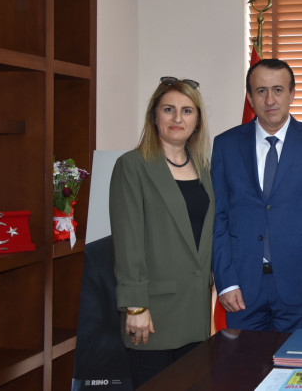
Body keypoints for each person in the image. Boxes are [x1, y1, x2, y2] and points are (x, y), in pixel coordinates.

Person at [211, 58, 302, 332]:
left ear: (292, 94)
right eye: (261, 91)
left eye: (278, 90)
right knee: (242, 360)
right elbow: (218, 218)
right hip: (242, 288)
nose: (270, 100)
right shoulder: (225, 145)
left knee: (296, 361)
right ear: (250, 97)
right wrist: (226, 282)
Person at [110, 77, 214, 388]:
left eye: (187, 110)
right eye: (169, 109)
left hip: (197, 313)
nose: (177, 118)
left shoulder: (204, 167)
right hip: (153, 314)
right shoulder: (132, 165)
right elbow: (128, 242)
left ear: (197, 121)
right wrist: (136, 306)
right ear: (154, 115)